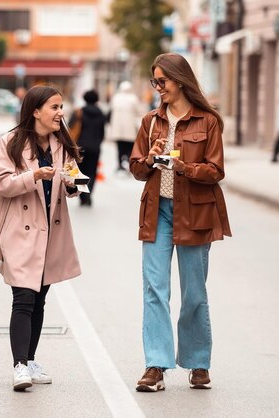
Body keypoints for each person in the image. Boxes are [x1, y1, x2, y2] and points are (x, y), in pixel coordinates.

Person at [129, 53, 231, 392]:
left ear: (180, 80)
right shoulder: (150, 121)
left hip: (196, 213)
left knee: (194, 293)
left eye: (162, 81)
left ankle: (198, 362)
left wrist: (183, 166)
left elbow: (216, 170)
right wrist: (149, 157)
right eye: (154, 82)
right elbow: (136, 169)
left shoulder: (208, 121)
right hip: (157, 212)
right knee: (154, 290)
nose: (158, 88)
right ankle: (156, 365)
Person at [0, 85, 82, 391]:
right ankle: (19, 366)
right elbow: (3, 185)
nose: (60, 113)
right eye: (54, 107)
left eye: (61, 107)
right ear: (36, 111)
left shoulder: (62, 144)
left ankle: (29, 361)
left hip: (50, 230)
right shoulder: (10, 142)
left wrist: (72, 184)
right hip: (20, 230)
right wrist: (34, 176)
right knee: (24, 297)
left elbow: (70, 181)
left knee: (40, 298)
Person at [69, 89, 107, 207]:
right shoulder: (101, 113)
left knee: (80, 172)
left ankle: (83, 195)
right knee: (92, 172)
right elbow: (102, 132)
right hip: (95, 147)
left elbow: (71, 128)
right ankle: (89, 193)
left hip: (80, 147)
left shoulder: (79, 112)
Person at [110, 81, 145, 172]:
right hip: (130, 130)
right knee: (130, 149)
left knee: (119, 149)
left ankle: (119, 165)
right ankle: (130, 165)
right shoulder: (133, 98)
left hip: (118, 130)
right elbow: (140, 111)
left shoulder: (116, 98)